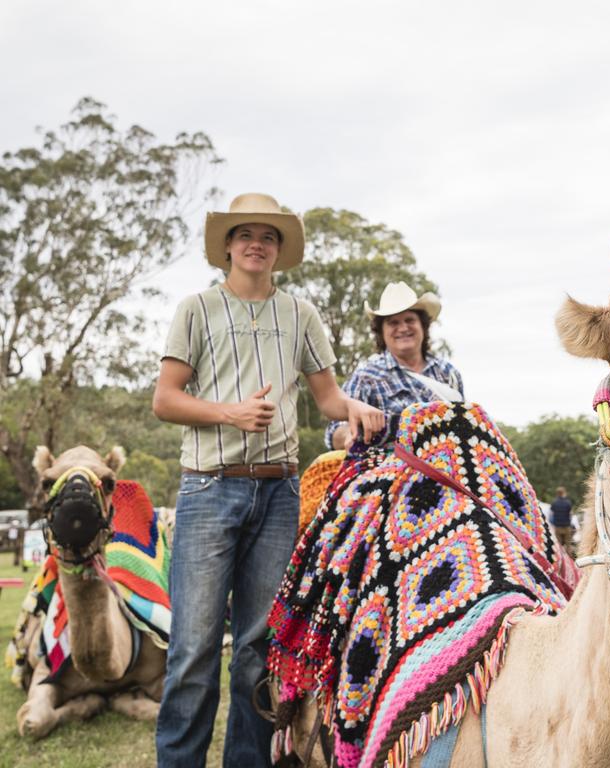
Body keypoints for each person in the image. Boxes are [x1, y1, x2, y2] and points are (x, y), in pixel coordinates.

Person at [152, 192, 384, 768]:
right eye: (245, 234)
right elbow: (165, 399)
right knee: (193, 653)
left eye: (269, 236)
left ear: (279, 251)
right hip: (209, 489)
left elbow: (327, 398)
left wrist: (358, 411)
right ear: (228, 246)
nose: (257, 243)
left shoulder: (300, 315)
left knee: (258, 652)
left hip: (278, 493)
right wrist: (230, 412)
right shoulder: (196, 310)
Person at [324, 281, 464, 450]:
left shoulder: (447, 373)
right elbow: (333, 432)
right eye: (393, 323)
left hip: (447, 472)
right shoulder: (366, 377)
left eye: (409, 320)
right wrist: (350, 434)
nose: (403, 328)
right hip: (390, 472)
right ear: (381, 332)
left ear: (423, 326)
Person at [548, 486, 574, 555]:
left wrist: (553, 523)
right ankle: (570, 561)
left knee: (559, 546)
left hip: (558, 527)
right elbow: (571, 514)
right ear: (563, 493)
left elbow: (551, 515)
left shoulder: (554, 503)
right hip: (566, 527)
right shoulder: (568, 503)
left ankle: (561, 561)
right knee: (568, 545)